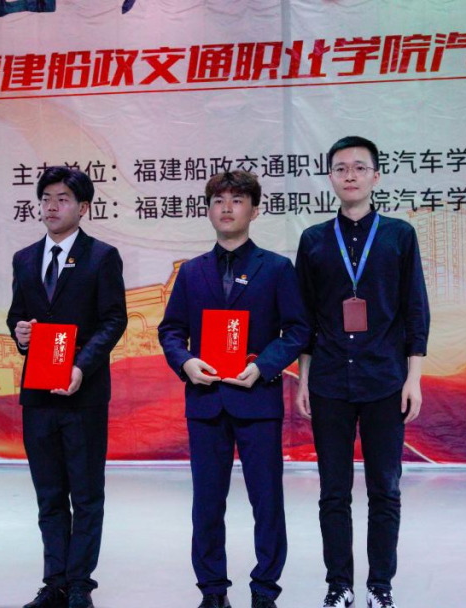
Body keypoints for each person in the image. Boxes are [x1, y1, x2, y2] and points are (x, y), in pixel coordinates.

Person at [158, 171, 310, 608]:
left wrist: (263, 366)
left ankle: (265, 590)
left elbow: (297, 329)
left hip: (256, 399)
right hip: (206, 401)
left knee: (267, 501)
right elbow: (171, 330)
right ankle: (213, 591)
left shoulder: (276, 268)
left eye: (238, 200)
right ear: (207, 210)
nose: (227, 207)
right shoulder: (191, 272)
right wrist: (186, 362)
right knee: (207, 503)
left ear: (255, 210)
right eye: (218, 200)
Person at [294, 136, 431, 608]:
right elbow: (305, 318)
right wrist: (304, 379)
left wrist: (413, 378)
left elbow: (415, 310)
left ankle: (380, 585)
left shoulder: (398, 236)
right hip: (330, 380)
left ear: (376, 176)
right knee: (333, 491)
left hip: (385, 380)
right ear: (330, 178)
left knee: (384, 489)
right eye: (340, 168)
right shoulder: (314, 240)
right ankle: (339, 585)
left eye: (358, 167)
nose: (349, 175)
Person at [7, 166, 127, 608]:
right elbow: (16, 316)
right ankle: (54, 582)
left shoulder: (102, 257)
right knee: (49, 494)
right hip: (38, 394)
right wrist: (20, 333)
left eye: (62, 199)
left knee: (86, 493)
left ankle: (80, 585)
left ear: (83, 207)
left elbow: (114, 320)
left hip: (84, 393)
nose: (52, 206)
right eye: (46, 198)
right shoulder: (24, 259)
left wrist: (80, 366)